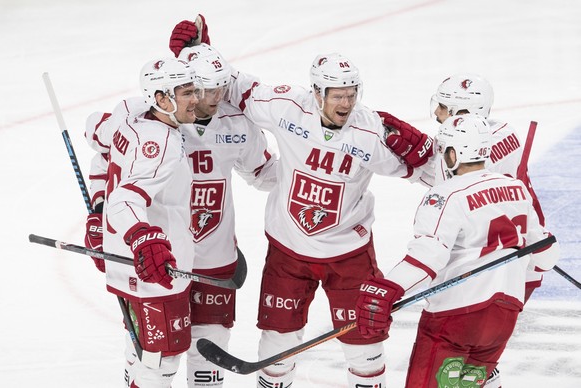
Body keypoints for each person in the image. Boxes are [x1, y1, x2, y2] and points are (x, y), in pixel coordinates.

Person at [169, 18, 433, 387]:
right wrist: (196, 57)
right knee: (277, 344)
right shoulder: (285, 107)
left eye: (351, 93)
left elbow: (441, 178)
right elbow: (232, 86)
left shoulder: (373, 133)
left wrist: (426, 152)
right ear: (317, 92)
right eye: (337, 95)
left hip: (348, 254)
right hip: (288, 252)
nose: (346, 102)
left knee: (363, 347)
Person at [86, 43, 278, 388]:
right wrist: (106, 213)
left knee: (203, 354)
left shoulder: (229, 122)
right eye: (199, 90)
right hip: (159, 259)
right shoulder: (152, 126)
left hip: (207, 253)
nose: (214, 96)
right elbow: (110, 163)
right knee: (155, 358)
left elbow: (265, 173)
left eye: (221, 86)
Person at [355, 114, 560, 388]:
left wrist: (388, 287)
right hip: (503, 318)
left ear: (453, 153)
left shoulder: (445, 195)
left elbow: (428, 256)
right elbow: (546, 258)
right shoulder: (517, 189)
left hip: (455, 319)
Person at [84, 57, 203, 387]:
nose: (197, 98)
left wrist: (97, 211)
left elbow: (95, 135)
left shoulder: (128, 111)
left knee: (138, 348)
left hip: (121, 257)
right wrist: (144, 238)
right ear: (162, 100)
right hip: (155, 267)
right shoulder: (162, 144)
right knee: (161, 359)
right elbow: (126, 199)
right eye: (187, 93)